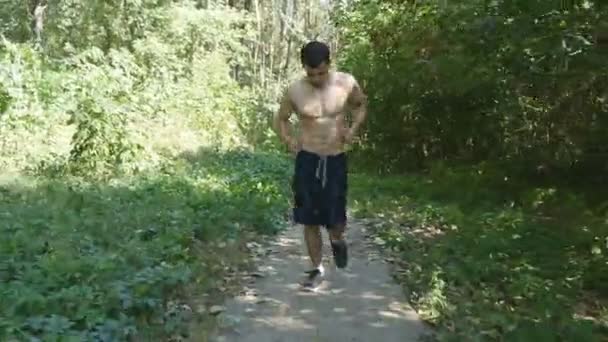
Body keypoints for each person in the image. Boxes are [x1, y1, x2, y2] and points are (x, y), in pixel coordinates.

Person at [272, 41, 368, 289]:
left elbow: (361, 105)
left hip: (335, 157)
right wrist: (288, 139)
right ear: (304, 68)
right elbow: (281, 119)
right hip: (308, 158)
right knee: (309, 219)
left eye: (321, 72)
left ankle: (337, 240)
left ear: (329, 64)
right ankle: (316, 268)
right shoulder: (295, 91)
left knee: (336, 219)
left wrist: (353, 129)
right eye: (311, 73)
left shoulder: (346, 83)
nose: (316, 78)